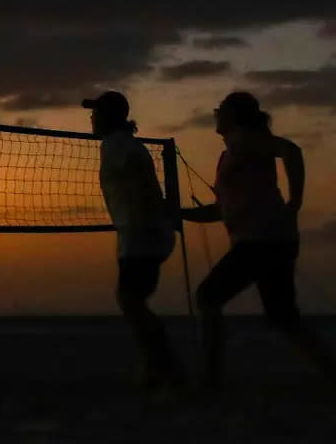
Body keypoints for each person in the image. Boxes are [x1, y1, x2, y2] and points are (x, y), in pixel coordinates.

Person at [182, 91, 335, 390]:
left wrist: (296, 201)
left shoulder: (244, 138)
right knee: (282, 317)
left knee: (208, 297)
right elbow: (220, 211)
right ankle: (330, 371)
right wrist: (180, 213)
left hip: (262, 240)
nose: (215, 113)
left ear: (233, 117)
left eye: (220, 109)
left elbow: (291, 150)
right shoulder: (230, 153)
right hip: (271, 239)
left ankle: (210, 379)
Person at [82, 91, 181, 392]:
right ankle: (155, 369)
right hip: (141, 232)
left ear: (108, 117)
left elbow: (141, 183)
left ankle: (166, 370)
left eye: (96, 112)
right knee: (132, 301)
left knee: (131, 301)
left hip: (142, 233)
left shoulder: (117, 145)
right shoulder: (120, 144)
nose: (91, 117)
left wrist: (147, 224)